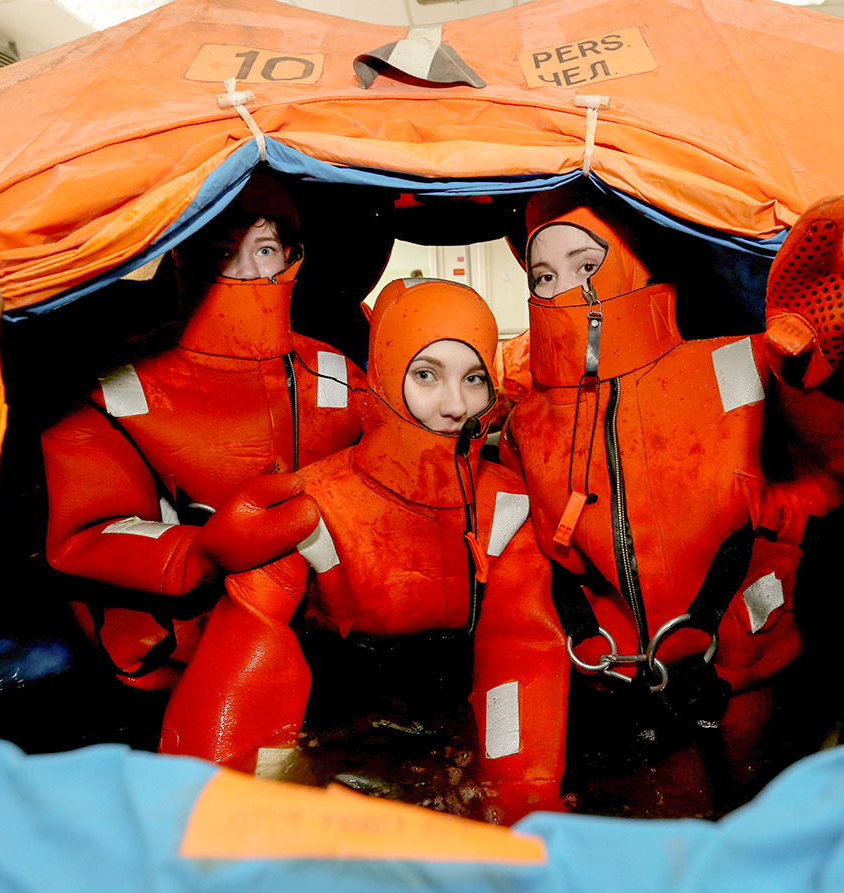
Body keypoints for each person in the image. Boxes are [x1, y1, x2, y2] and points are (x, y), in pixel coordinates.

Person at [500, 185, 844, 813]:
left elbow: (837, 474)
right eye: (544, 274)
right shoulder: (529, 424)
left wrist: (804, 363)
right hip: (615, 694)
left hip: (753, 674)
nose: (565, 288)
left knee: (767, 825)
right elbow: (519, 612)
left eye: (587, 265)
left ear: (638, 265)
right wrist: (516, 794)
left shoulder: (735, 363)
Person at [159, 278, 569, 825]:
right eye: (426, 375)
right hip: (334, 732)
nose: (454, 405)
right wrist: (226, 811)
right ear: (382, 376)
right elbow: (247, 662)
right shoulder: (313, 503)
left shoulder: (508, 504)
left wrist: (521, 792)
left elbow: (520, 652)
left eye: (473, 378)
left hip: (458, 728)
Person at [39, 170, 366, 692]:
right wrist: (202, 551)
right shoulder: (122, 389)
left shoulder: (331, 370)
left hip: (321, 650)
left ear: (291, 256)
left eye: (263, 249)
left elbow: (389, 465)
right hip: (175, 665)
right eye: (221, 250)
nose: (242, 271)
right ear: (181, 259)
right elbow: (83, 535)